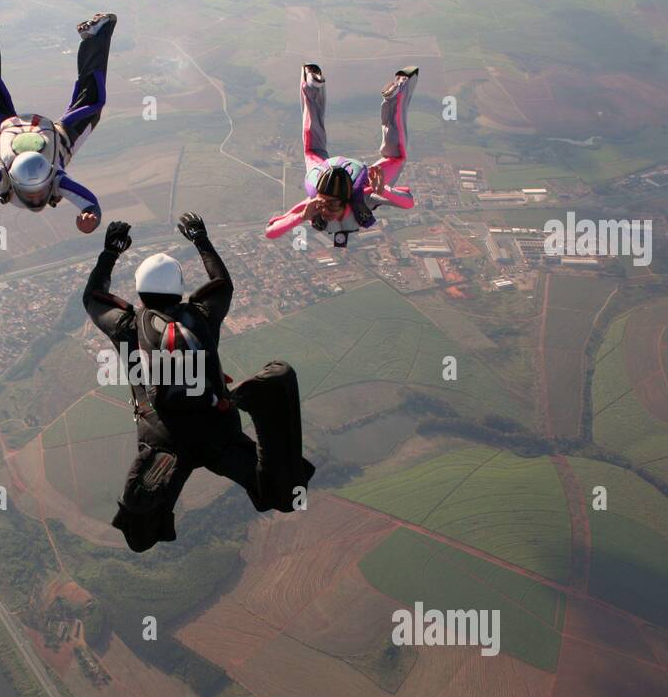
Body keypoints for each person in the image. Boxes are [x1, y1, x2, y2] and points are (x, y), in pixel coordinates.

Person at [83, 213, 316, 552]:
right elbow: (222, 283)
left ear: (139, 291)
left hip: (164, 436)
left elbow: (93, 297)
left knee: (139, 534)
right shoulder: (201, 315)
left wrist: (111, 252)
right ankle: (262, 397)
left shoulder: (128, 326)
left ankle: (150, 490)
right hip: (217, 425)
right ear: (179, 288)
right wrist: (200, 239)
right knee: (282, 494)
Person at [0, 8, 116, 234]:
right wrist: (92, 218)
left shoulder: (4, 178)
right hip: (46, 133)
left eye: (35, 193)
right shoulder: (56, 181)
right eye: (38, 193)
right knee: (92, 102)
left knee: (91, 102)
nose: (35, 199)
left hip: (13, 128)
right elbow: (89, 203)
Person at [266, 64, 419, 247]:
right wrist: (382, 190)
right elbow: (408, 203)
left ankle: (313, 87)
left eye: (329, 206)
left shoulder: (321, 203)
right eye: (325, 204)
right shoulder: (350, 199)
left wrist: (301, 216)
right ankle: (396, 95)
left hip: (327, 172)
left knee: (313, 148)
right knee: (395, 157)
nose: (325, 211)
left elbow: (272, 232)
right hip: (337, 174)